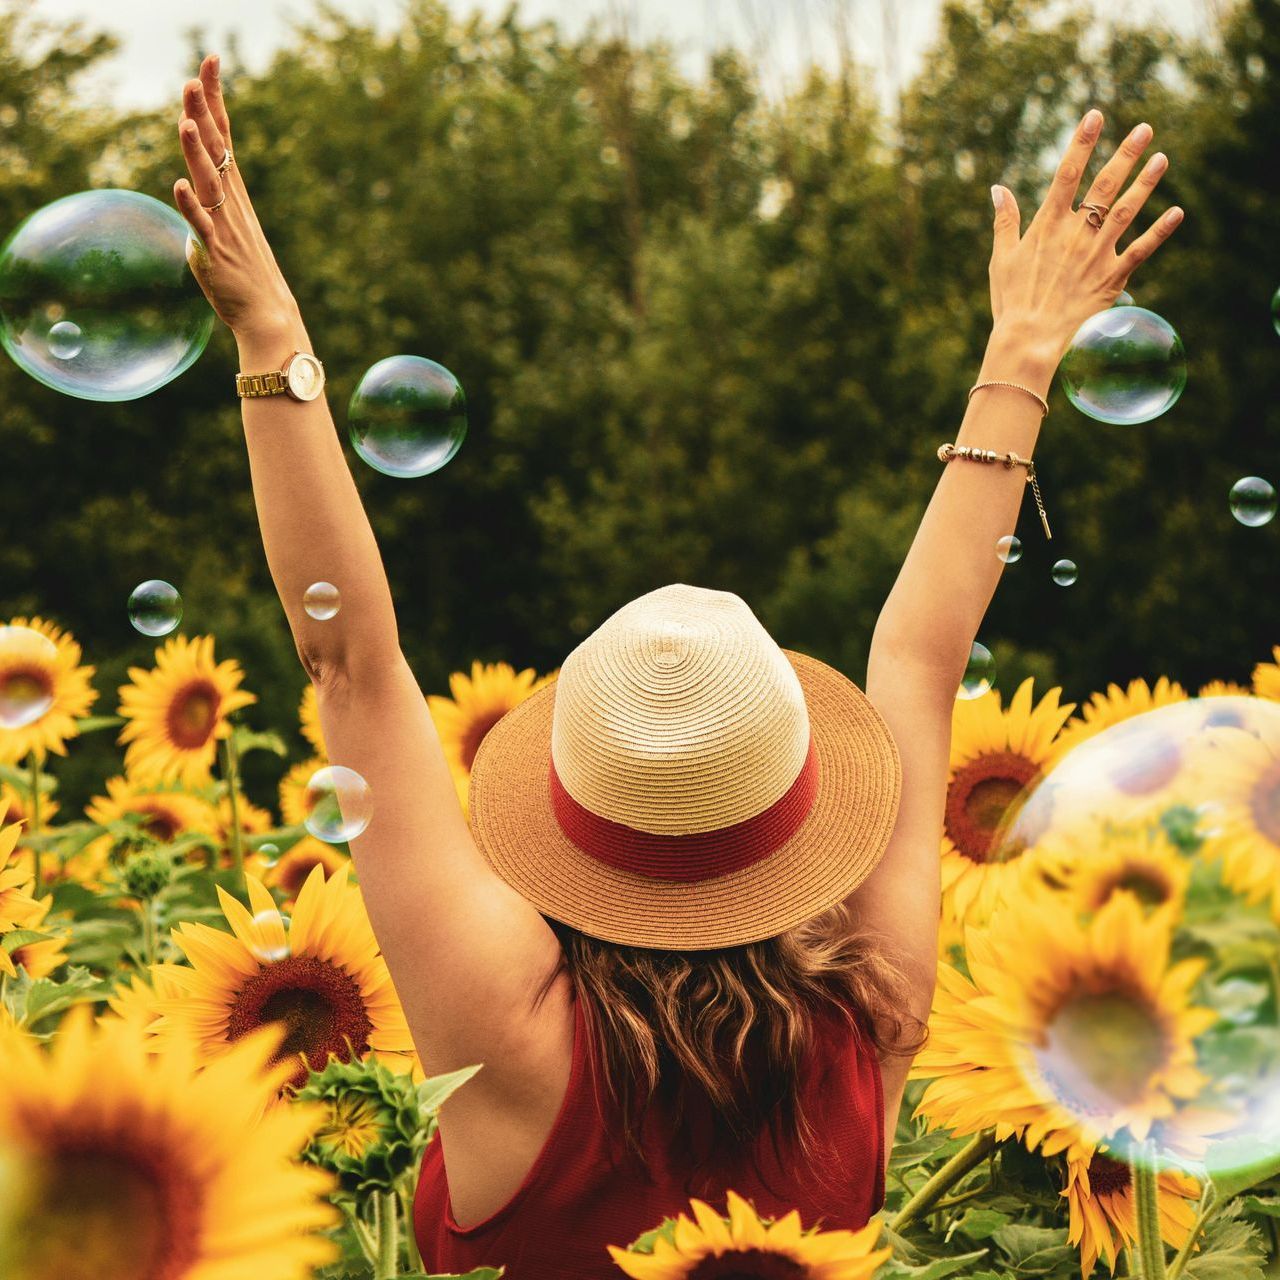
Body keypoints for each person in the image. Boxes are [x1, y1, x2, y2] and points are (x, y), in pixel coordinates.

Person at [172, 54, 1182, 1276]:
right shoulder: (869, 1024)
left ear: (573, 805)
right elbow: (917, 660)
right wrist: (1021, 352)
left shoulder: (509, 1032)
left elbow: (351, 665)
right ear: (796, 803)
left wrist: (271, 335)